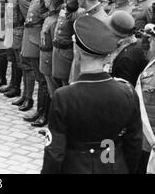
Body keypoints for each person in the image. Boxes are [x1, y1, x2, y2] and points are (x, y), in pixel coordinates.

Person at [42, 16, 143, 174]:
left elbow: (54, 152)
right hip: (112, 163)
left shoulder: (63, 97)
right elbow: (134, 142)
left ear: (77, 51)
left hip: (75, 167)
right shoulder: (127, 92)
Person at [135, 23, 155, 174]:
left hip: (151, 141)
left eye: (153, 40)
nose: (150, 42)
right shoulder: (152, 62)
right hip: (144, 139)